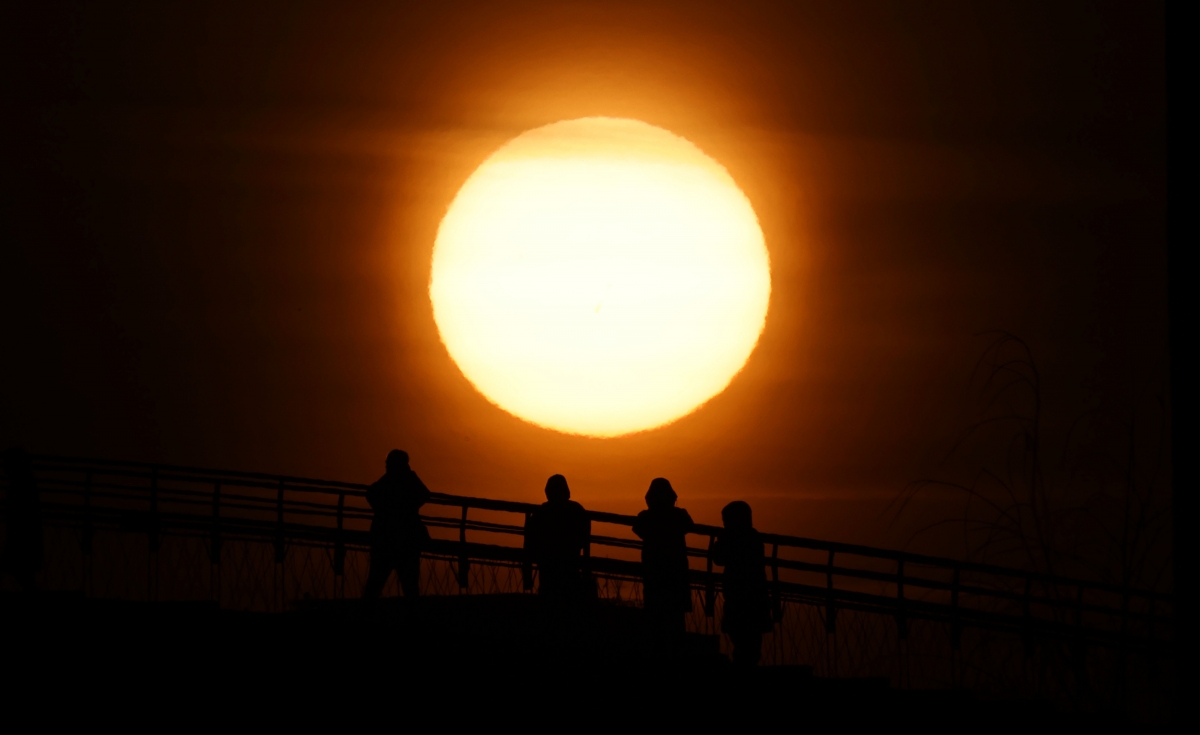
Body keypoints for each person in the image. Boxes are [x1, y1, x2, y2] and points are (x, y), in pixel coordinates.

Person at [631, 478, 695, 641]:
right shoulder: (679, 515)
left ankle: (656, 654)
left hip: (654, 570)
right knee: (676, 618)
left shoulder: (645, 517)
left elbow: (637, 528)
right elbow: (689, 525)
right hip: (676, 570)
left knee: (655, 616)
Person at [362, 450, 430, 600]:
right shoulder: (408, 478)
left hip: (385, 539)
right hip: (408, 539)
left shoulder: (391, 479)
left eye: (388, 464)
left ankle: (363, 616)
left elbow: (371, 493)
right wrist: (410, 508)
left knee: (375, 583)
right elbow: (425, 495)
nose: (386, 466)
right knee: (410, 585)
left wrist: (383, 510)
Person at [712, 501, 773, 667]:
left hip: (738, 598)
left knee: (742, 642)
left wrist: (720, 542)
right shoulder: (754, 538)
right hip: (756, 598)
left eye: (726, 522)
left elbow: (718, 559)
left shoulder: (733, 539)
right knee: (751, 644)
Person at [524, 474, 591, 600]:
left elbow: (529, 542)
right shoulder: (577, 510)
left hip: (547, 566)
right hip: (570, 565)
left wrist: (527, 577)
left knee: (548, 599)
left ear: (547, 492)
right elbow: (584, 539)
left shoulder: (541, 513)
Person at [2, 448, 43, 593]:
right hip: (25, 532)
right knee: (22, 568)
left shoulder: (21, 484)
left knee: (20, 567)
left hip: (22, 532)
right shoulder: (26, 482)